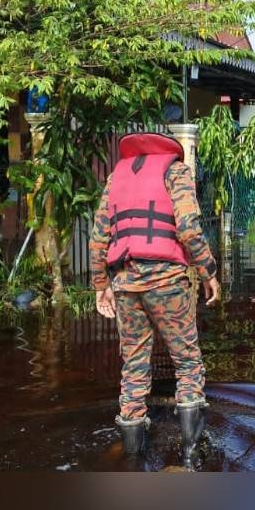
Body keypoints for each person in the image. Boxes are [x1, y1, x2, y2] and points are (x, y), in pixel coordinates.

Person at [89, 132, 220, 468]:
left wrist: (100, 283)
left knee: (133, 370)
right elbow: (189, 229)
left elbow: (98, 236)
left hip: (126, 285)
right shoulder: (176, 172)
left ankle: (133, 458)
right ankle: (190, 455)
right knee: (188, 363)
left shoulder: (117, 175)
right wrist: (208, 272)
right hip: (167, 283)